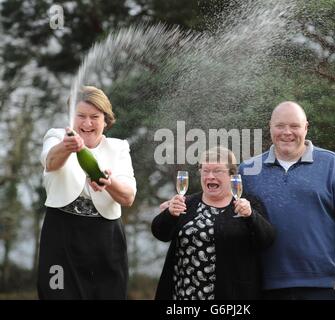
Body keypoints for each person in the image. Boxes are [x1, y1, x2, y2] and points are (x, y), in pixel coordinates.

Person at [239, 101, 335, 300]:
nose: (287, 132)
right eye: (280, 126)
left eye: (294, 126)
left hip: (327, 284)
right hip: (267, 287)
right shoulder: (248, 170)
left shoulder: (333, 165)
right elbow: (233, 222)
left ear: (306, 128)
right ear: (270, 127)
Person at [38, 86, 136, 299]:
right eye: (80, 116)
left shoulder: (118, 148)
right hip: (62, 234)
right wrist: (68, 146)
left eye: (94, 117)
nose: (87, 123)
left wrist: (109, 183)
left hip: (106, 238)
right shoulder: (57, 137)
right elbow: (50, 162)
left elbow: (128, 197)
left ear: (106, 120)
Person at [152, 146, 275, 300]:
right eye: (205, 170)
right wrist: (169, 214)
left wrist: (251, 216)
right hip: (184, 294)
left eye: (217, 171)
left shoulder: (248, 205)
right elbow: (160, 233)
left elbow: (267, 240)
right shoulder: (186, 203)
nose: (210, 176)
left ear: (231, 175)